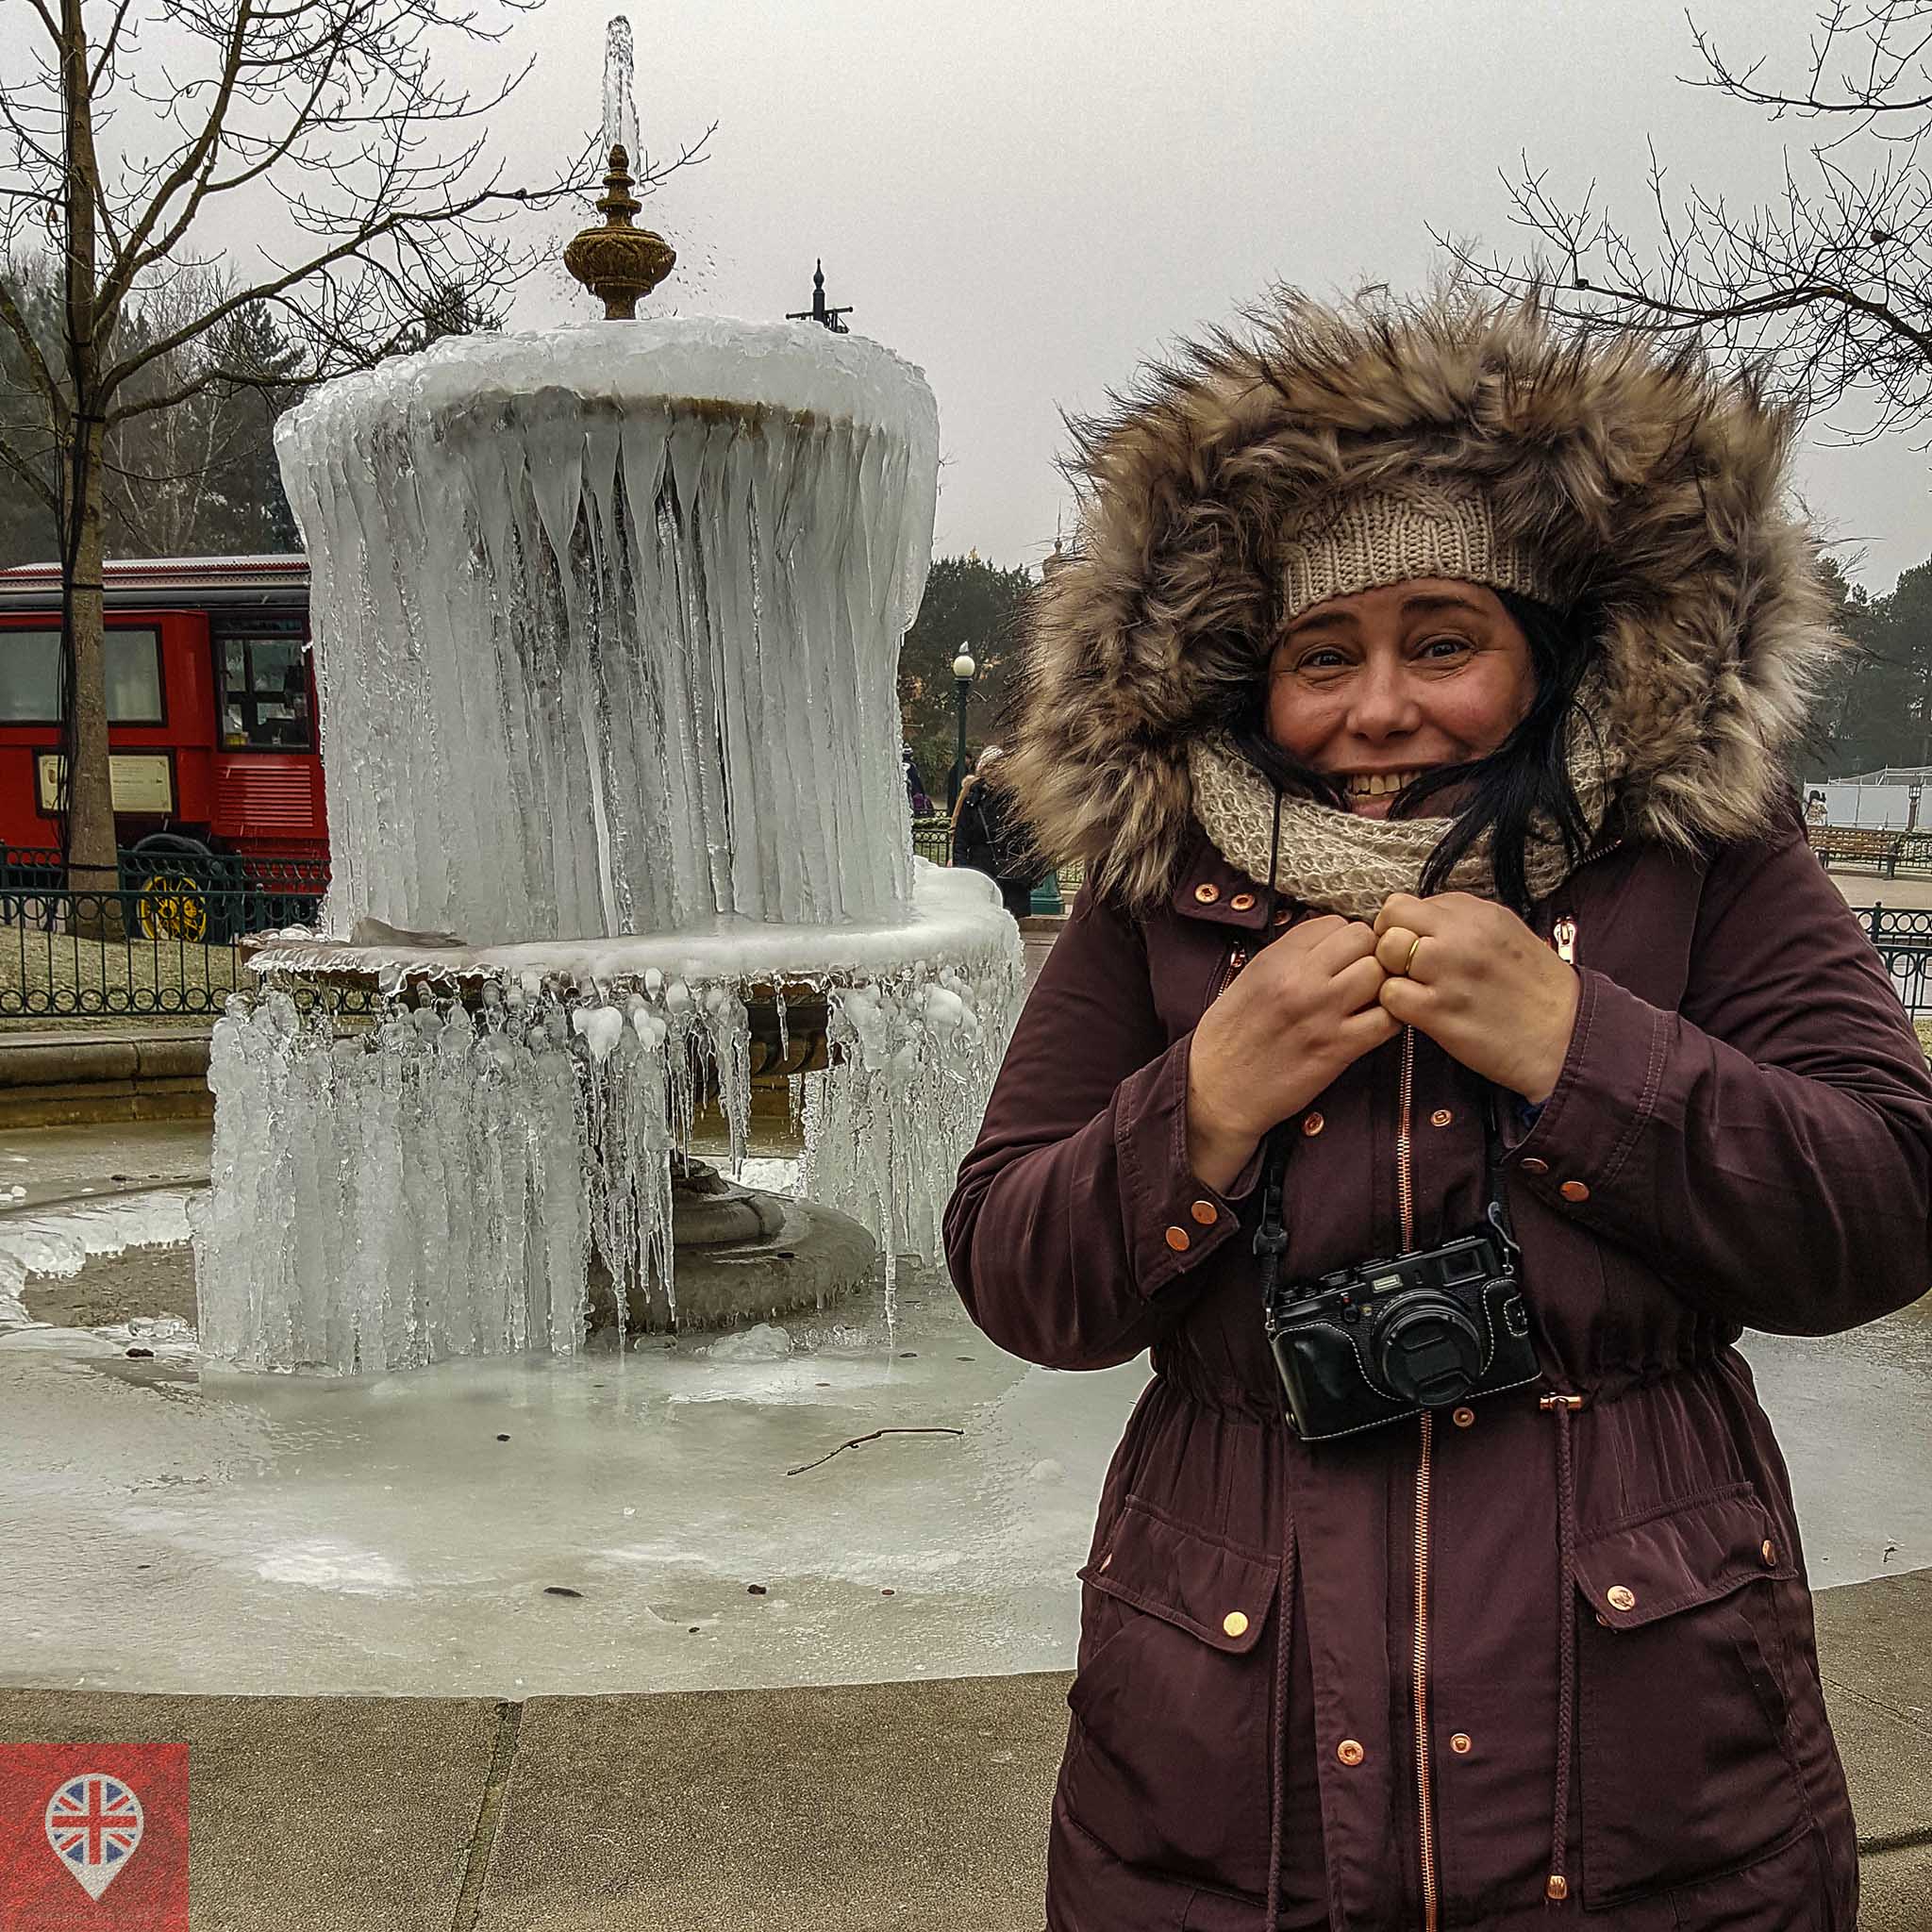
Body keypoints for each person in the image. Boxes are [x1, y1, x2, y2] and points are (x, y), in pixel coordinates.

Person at [943, 283, 1932, 1932]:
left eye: (1442, 642)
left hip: (1640, 1723)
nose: (1378, 705)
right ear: (1246, 676)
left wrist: (1583, 1052)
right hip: (1221, 1731)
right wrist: (1194, 1105)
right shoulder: (1156, 888)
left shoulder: (1694, 853)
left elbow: (1885, 1202)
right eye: (1320, 655)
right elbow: (1011, 1265)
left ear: (1539, 656)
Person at [951, 745, 1036, 917]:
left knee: (1011, 930)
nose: (995, 771)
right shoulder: (972, 800)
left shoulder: (1018, 800)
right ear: (982, 770)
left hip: (1011, 876)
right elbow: (961, 837)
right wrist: (963, 872)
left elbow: (1030, 839)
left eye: (999, 766)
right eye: (990, 766)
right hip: (981, 874)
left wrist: (1030, 874)